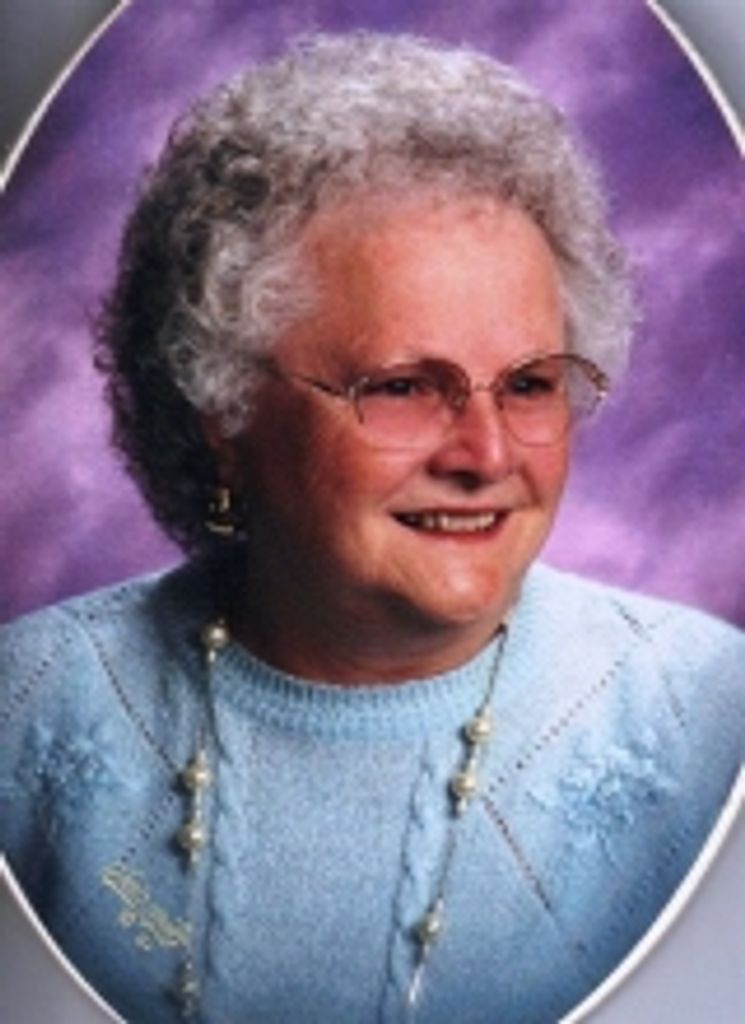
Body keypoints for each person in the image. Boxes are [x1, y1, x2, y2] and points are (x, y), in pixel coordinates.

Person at [0, 32, 742, 1024]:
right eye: (402, 387)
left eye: (529, 384)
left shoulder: (712, 715)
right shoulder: (29, 707)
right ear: (224, 409)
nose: (485, 452)